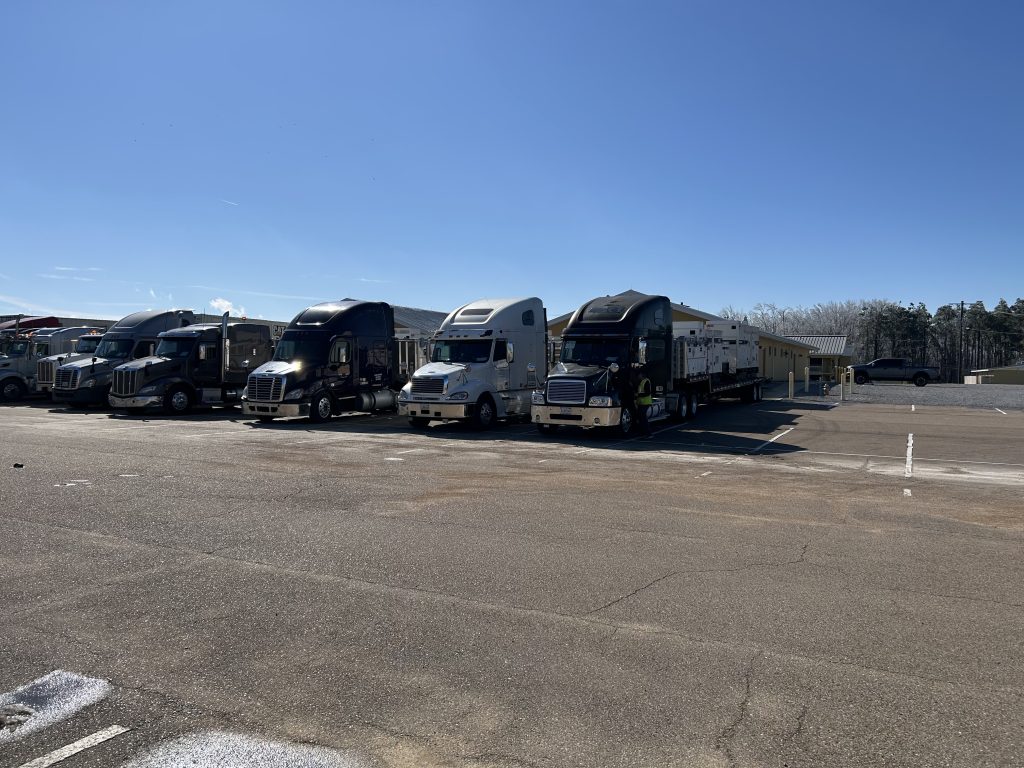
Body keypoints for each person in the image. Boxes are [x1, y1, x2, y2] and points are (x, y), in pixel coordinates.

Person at [633, 368, 652, 435]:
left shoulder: (646, 381)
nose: (638, 377)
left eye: (638, 375)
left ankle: (648, 433)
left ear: (641, 375)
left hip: (645, 403)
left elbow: (648, 393)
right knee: (640, 417)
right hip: (641, 403)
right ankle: (642, 432)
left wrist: (638, 394)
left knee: (643, 418)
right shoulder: (641, 382)